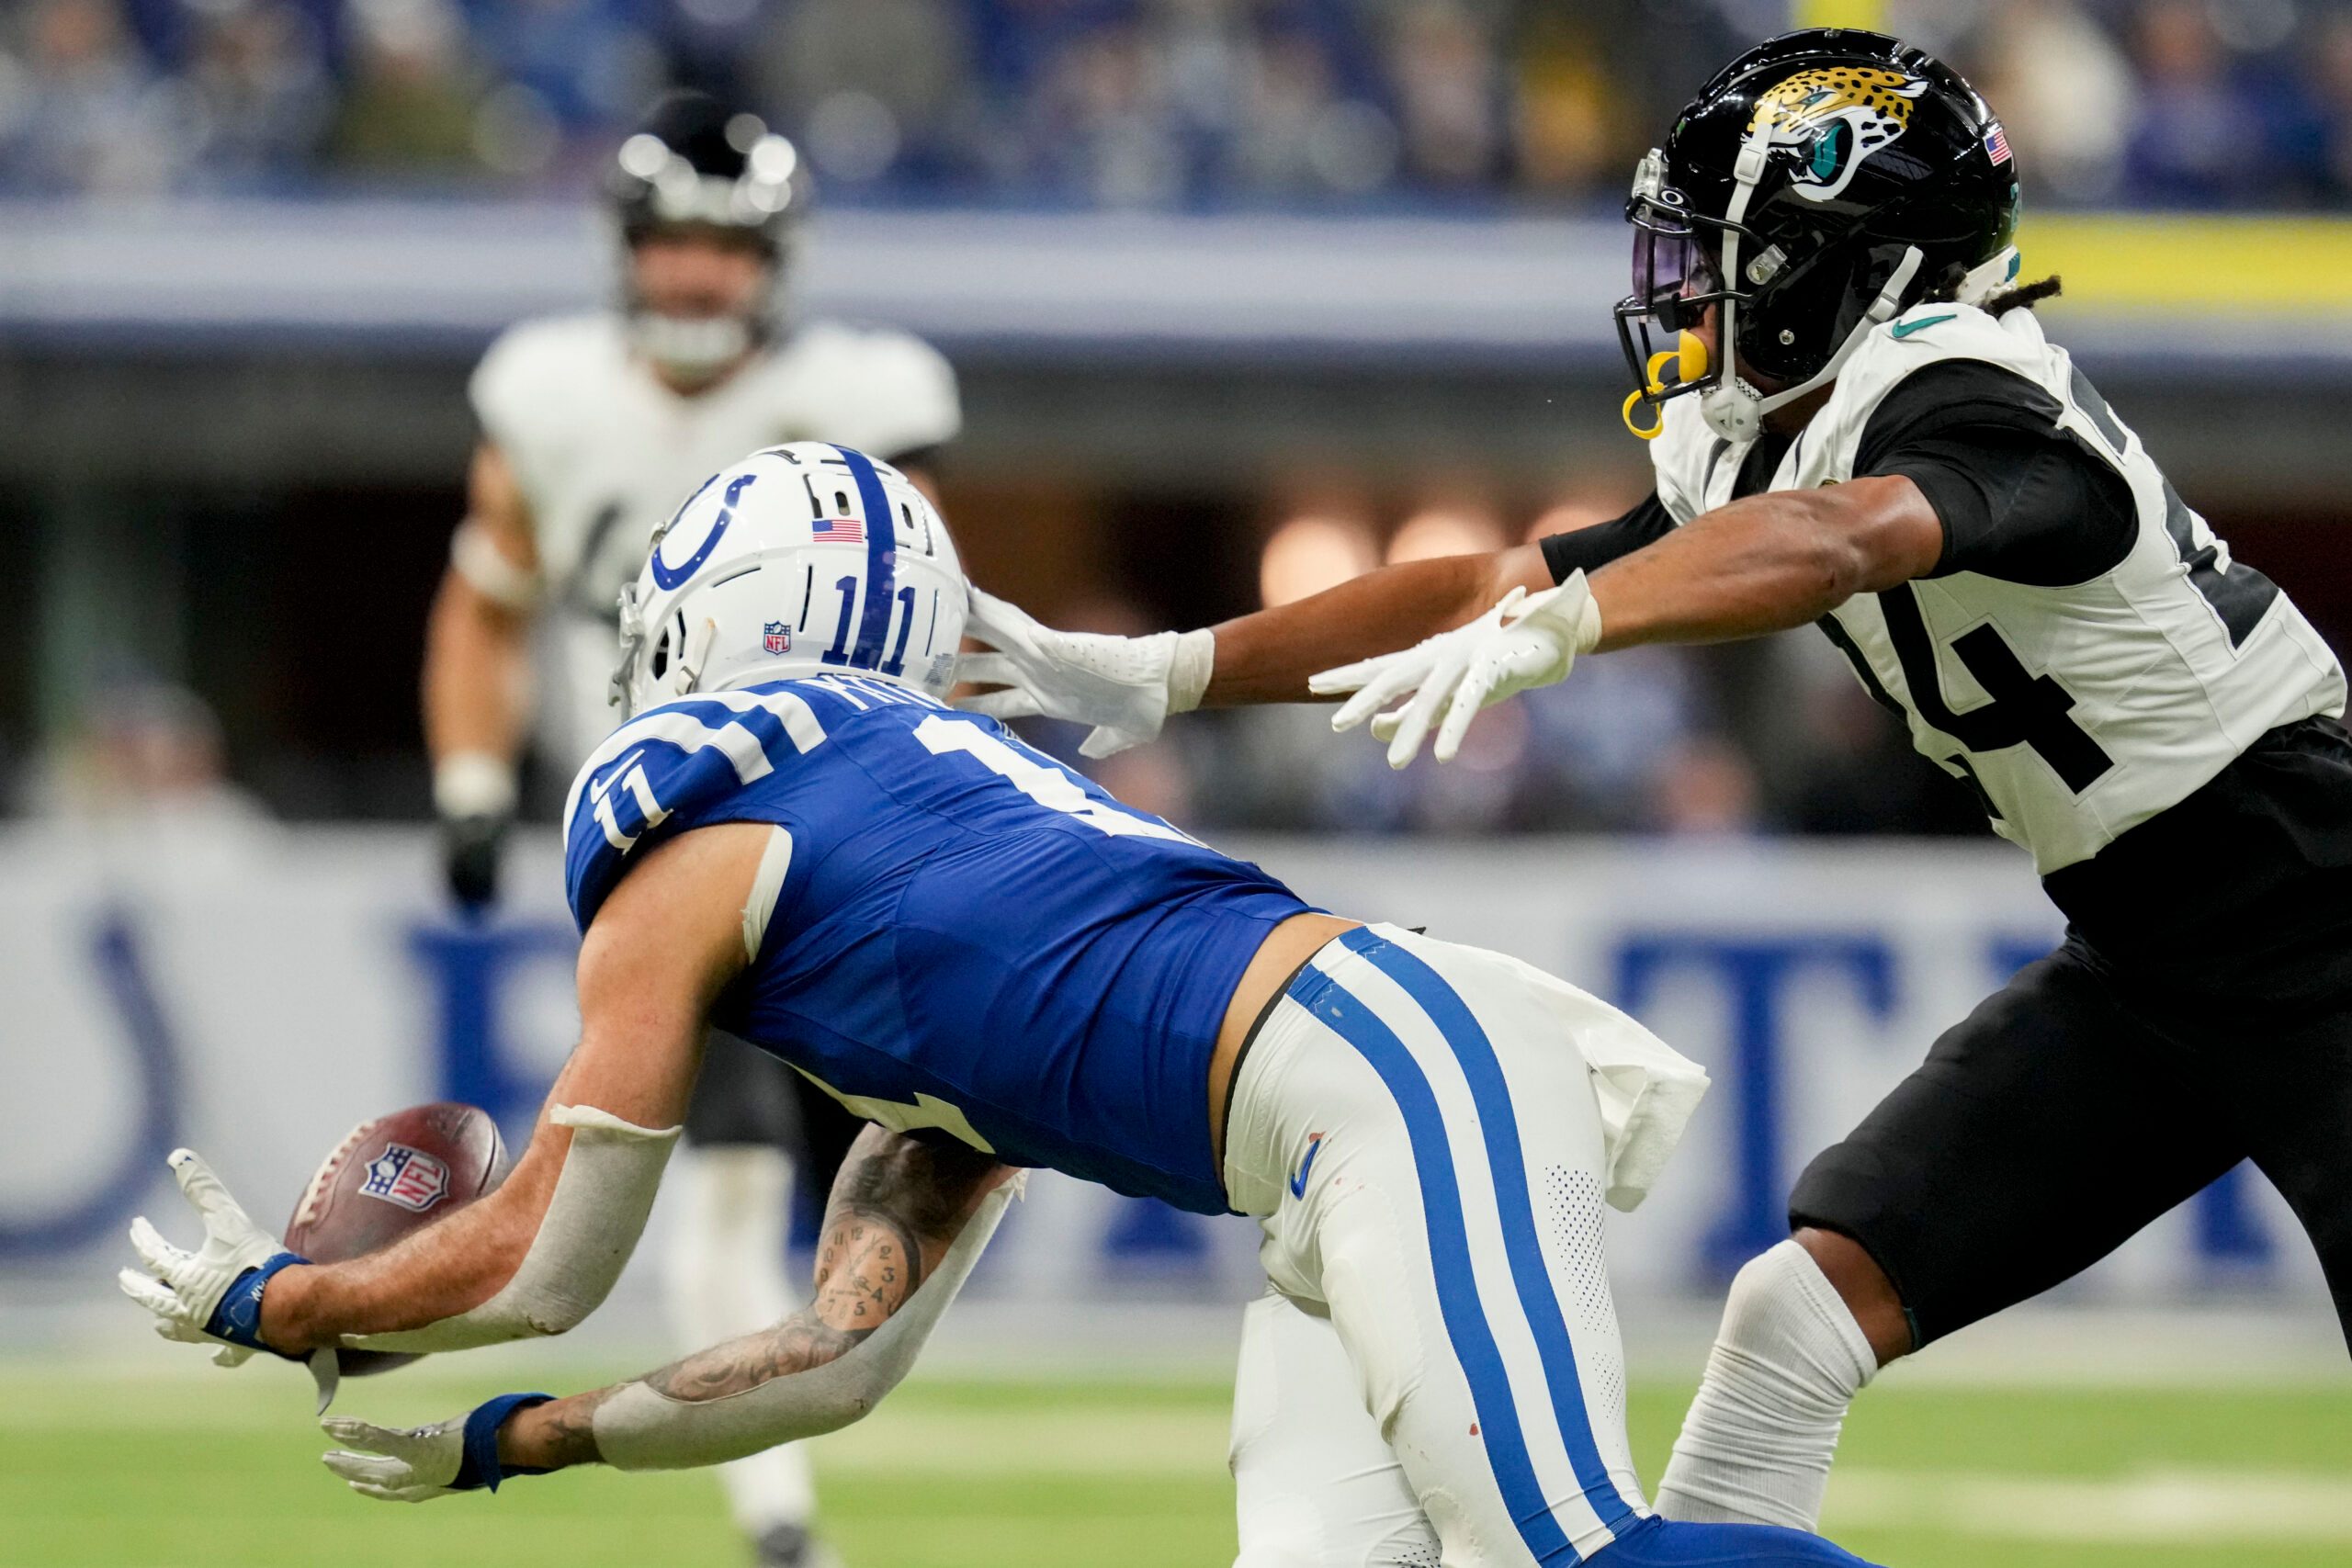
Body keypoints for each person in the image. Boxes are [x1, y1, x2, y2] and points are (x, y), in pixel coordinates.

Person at [951, 27, 2352, 1538]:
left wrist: (1571, 626)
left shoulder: (1975, 394)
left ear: (1845, 263)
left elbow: (1844, 541)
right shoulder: (1775, 438)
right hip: (2149, 950)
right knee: (1797, 1316)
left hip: (2316, 901)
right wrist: (1171, 669)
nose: (1690, 288)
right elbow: (1490, 578)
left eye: (1732, 253)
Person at [122, 443, 1881, 1568]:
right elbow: (831, 1367)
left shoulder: (699, 827)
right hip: (1344, 1144)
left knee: (1568, 1561)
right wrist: (514, 1445)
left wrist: (288, 1304)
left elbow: (545, 1257)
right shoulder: (917, 884)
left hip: (1394, 1084)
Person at [418, 90, 959, 1568]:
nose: (697, 279)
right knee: (715, 1189)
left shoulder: (865, 389)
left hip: (853, 839)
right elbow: (486, 601)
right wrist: (471, 784)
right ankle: (776, 1523)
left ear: (774, 257)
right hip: (677, 851)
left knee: (909, 1182)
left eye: (726, 247)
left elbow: (932, 614)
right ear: (625, 247)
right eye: (671, 243)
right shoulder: (545, 390)